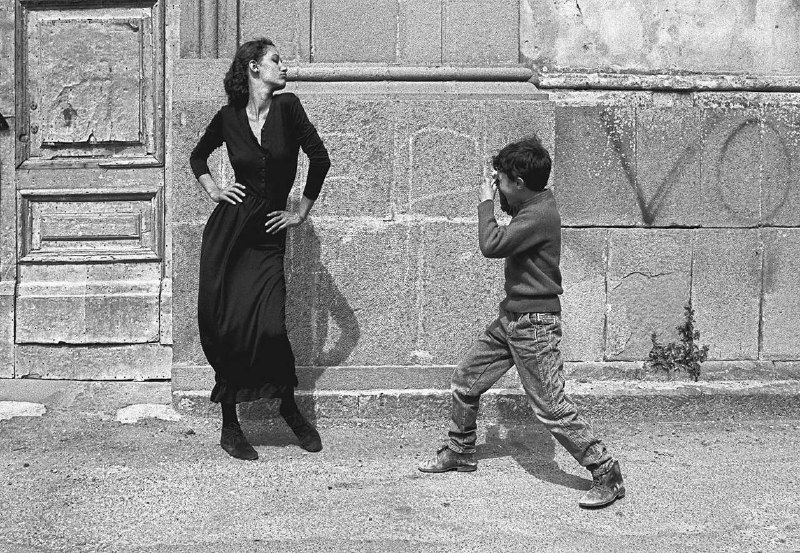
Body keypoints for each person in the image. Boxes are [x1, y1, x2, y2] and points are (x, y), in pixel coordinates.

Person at [417, 136, 625, 509]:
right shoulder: (532, 204)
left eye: (501, 182)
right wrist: (499, 192)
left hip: (534, 325)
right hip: (511, 319)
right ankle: (460, 450)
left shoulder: (539, 214)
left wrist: (484, 201)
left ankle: (605, 471)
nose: (497, 187)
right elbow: (509, 223)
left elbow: (492, 245)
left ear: (520, 184)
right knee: (466, 380)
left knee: (550, 407)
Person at [189, 38, 330, 460]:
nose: (284, 67)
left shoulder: (289, 108)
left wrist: (300, 212)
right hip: (228, 236)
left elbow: (319, 159)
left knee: (270, 325)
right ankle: (230, 425)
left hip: (267, 235)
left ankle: (287, 406)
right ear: (254, 67)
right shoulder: (229, 117)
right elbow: (198, 157)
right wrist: (214, 190)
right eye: (276, 60)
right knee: (228, 327)